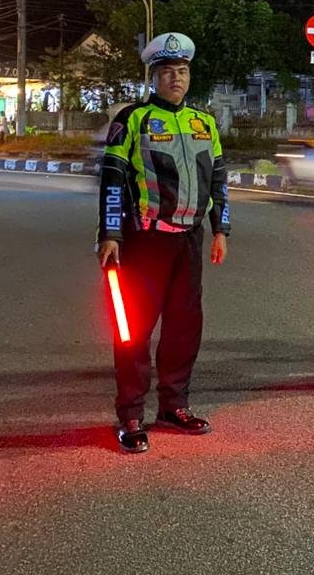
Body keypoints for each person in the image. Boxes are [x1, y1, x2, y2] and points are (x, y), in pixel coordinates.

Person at [96, 31, 230, 454]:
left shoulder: (204, 123)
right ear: (153, 77)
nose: (177, 78)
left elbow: (219, 180)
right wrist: (110, 233)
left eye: (183, 71)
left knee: (184, 328)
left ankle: (174, 406)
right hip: (145, 241)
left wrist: (221, 229)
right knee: (133, 330)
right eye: (168, 71)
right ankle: (131, 414)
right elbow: (112, 178)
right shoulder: (132, 119)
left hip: (190, 241)